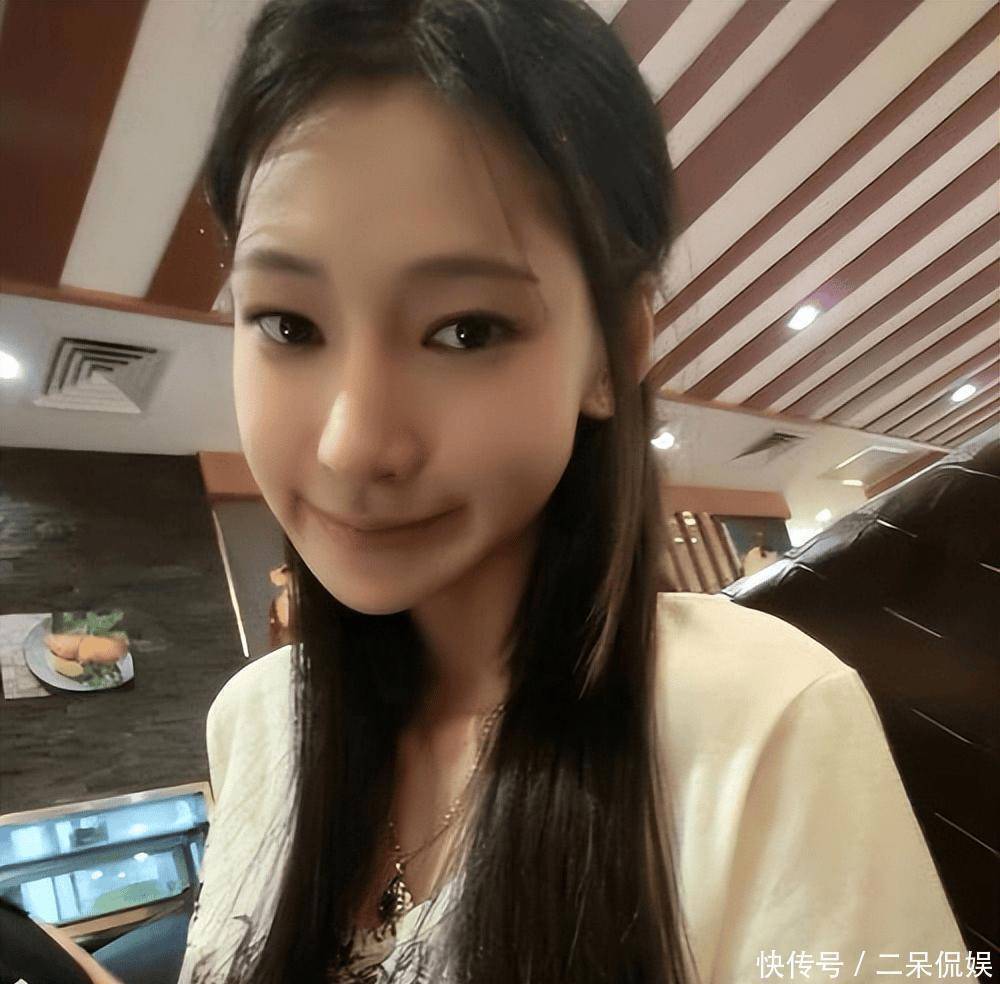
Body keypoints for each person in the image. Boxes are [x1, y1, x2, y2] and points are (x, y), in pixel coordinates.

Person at [178, 1, 968, 982]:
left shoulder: (760, 721)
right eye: (288, 325)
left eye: (464, 329)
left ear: (614, 349)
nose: (352, 445)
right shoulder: (253, 723)